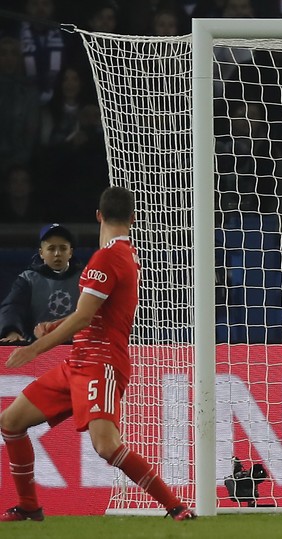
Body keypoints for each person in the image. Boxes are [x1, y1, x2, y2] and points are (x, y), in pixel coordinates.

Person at [0, 186, 196, 522]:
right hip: (79, 361)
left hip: (100, 364)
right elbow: (100, 311)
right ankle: (30, 505)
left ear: (98, 216)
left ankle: (175, 506)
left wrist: (33, 349)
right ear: (133, 219)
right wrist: (57, 323)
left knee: (106, 447)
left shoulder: (106, 258)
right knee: (11, 422)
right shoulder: (125, 256)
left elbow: (85, 317)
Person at [0, 223, 83, 343]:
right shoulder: (28, 279)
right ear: (41, 253)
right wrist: (12, 331)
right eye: (51, 248)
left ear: (70, 252)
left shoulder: (85, 277)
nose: (57, 254)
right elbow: (13, 307)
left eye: (63, 248)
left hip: (77, 346)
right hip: (37, 347)